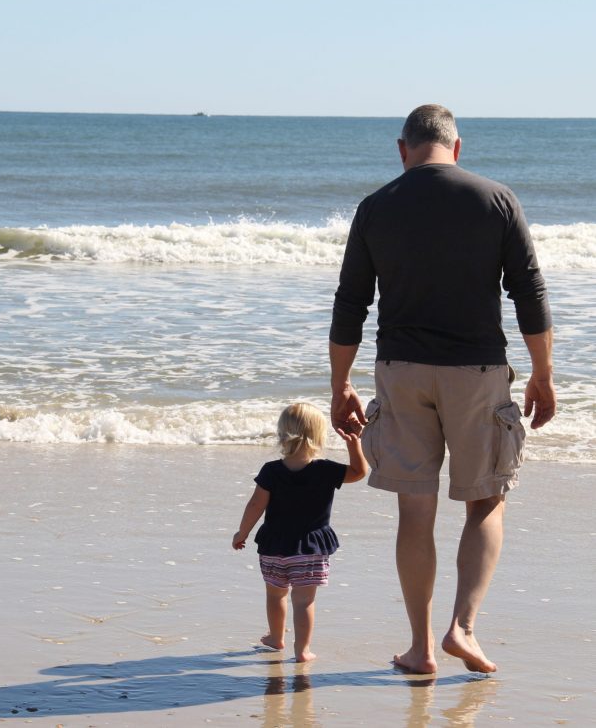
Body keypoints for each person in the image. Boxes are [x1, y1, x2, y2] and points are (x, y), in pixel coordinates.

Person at [329, 104, 556, 675]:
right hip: (476, 372)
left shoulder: (376, 207)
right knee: (485, 501)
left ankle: (421, 649)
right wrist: (543, 374)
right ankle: (463, 628)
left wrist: (341, 386)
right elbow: (529, 292)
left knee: (415, 510)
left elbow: (349, 303)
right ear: (457, 148)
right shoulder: (495, 199)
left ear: (402, 149)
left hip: (401, 371)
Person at [232, 402, 368, 662]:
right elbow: (359, 472)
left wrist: (242, 533)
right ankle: (302, 650)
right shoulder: (326, 469)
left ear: (282, 433)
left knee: (275, 594)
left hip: (274, 545)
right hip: (310, 548)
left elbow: (255, 505)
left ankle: (275, 637)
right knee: (304, 600)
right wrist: (354, 442)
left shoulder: (271, 470)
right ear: (319, 435)